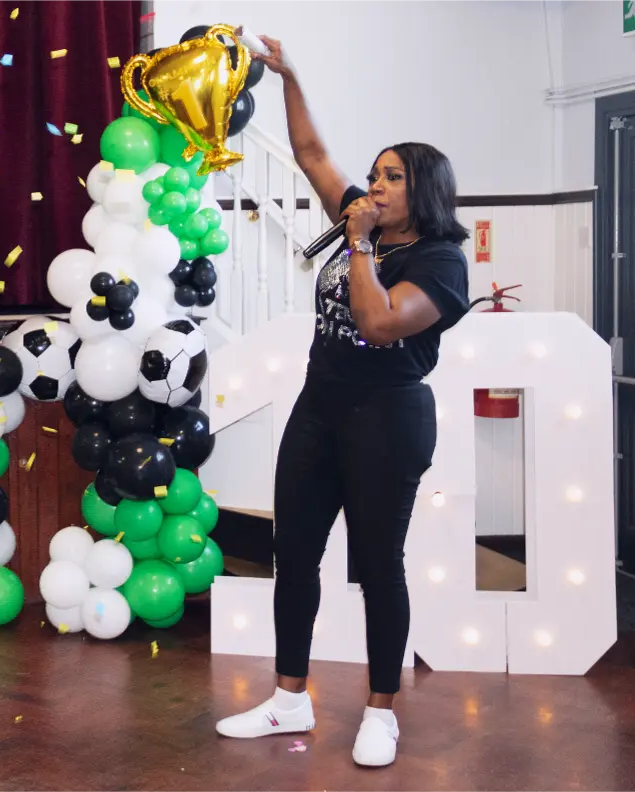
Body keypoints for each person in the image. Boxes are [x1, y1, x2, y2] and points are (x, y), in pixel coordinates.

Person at [213, 36, 470, 768]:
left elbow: (380, 323)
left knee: (376, 567)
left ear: (420, 190)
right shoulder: (363, 219)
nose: (373, 187)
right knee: (291, 554)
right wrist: (290, 76)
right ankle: (288, 697)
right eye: (374, 175)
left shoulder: (439, 261)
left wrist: (357, 244)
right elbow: (309, 151)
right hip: (319, 409)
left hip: (387, 421)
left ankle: (380, 711)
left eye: (390, 178)